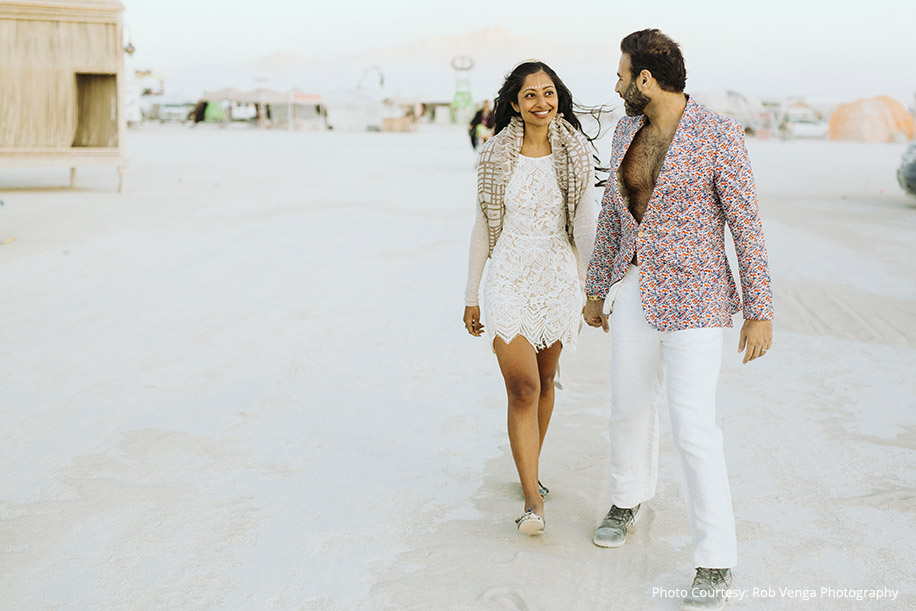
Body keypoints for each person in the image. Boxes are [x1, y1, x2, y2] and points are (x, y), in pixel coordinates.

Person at [583, 29, 773, 610]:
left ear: (646, 79)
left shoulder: (718, 134)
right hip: (636, 290)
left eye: (622, 75)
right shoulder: (625, 131)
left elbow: (746, 224)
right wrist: (596, 289)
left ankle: (715, 559)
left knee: (693, 427)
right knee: (627, 406)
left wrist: (759, 311)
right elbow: (613, 217)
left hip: (699, 301)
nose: (617, 85)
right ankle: (627, 498)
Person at [463, 61, 596, 536]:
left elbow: (585, 223)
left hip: (557, 279)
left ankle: (530, 468)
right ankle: (532, 501)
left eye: (549, 92)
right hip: (508, 277)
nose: (542, 102)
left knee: (545, 379)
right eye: (531, 95)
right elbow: (483, 225)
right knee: (523, 387)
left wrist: (592, 290)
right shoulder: (495, 153)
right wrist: (472, 294)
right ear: (515, 104)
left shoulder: (575, 150)